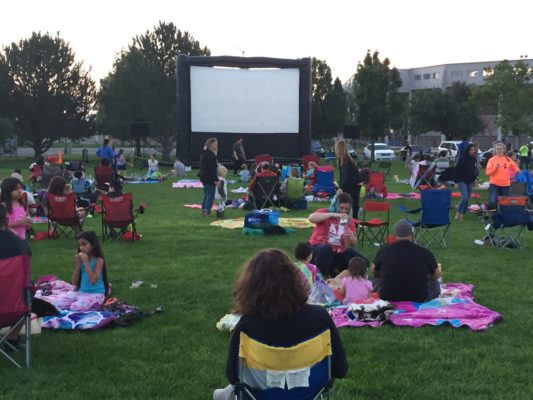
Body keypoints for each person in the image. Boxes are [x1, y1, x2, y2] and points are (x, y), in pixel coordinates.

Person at [213, 249, 348, 400]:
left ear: (251, 286)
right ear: (294, 279)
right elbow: (340, 369)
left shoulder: (247, 326)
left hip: (260, 395)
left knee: (226, 393)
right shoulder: (320, 319)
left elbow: (233, 376)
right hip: (309, 394)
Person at [35, 231, 109, 311]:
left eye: (84, 244)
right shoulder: (81, 260)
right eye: (80, 245)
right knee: (58, 303)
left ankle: (93, 305)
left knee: (75, 308)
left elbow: (93, 281)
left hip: (95, 294)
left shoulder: (98, 260)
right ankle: (81, 303)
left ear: (93, 245)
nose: (81, 248)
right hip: (81, 292)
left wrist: (86, 263)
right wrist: (78, 265)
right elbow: (74, 283)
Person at [371, 220, 441, 303]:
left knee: (374, 280)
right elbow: (436, 275)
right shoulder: (424, 252)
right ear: (412, 234)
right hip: (420, 297)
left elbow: (374, 271)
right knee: (435, 283)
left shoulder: (384, 251)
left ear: (395, 235)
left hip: (388, 296)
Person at [308, 193, 367, 277]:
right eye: (341, 208)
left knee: (362, 261)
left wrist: (351, 238)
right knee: (325, 249)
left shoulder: (349, 221)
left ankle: (339, 275)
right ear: (335, 205)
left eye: (347, 209)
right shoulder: (325, 212)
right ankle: (322, 276)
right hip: (318, 248)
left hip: (338, 251)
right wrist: (333, 214)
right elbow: (311, 218)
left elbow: (353, 244)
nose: (344, 211)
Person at [0, 204, 31, 351]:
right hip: (15, 309)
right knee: (27, 289)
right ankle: (12, 338)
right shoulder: (21, 245)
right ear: (6, 219)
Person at [485, 141, 520, 209]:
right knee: (492, 201)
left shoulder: (508, 159)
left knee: (505, 203)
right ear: (495, 150)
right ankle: (487, 213)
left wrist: (519, 172)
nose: (499, 150)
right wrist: (495, 168)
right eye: (497, 149)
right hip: (494, 184)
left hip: (505, 184)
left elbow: (516, 169)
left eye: (501, 149)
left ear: (504, 150)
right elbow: (487, 173)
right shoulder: (492, 160)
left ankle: (502, 217)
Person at [334, 139, 361, 215]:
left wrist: (341, 188)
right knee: (344, 201)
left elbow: (346, 176)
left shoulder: (347, 160)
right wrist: (340, 187)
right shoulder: (340, 160)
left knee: (353, 203)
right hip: (349, 183)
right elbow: (342, 176)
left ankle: (354, 221)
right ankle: (345, 217)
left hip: (355, 184)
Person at [455, 144, 479, 220]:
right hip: (462, 180)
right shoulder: (462, 159)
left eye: (473, 150)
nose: (472, 151)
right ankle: (458, 213)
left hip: (470, 181)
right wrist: (456, 181)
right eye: (470, 150)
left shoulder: (474, 159)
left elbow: (474, 171)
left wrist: (475, 180)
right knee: (464, 197)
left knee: (467, 198)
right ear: (467, 150)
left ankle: (462, 214)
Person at [199, 138, 219, 217]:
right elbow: (212, 168)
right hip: (209, 177)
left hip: (203, 176)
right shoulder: (211, 155)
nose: (217, 146)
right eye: (215, 144)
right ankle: (207, 211)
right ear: (211, 145)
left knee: (207, 194)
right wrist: (216, 179)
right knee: (210, 195)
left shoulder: (204, 154)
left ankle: (204, 211)